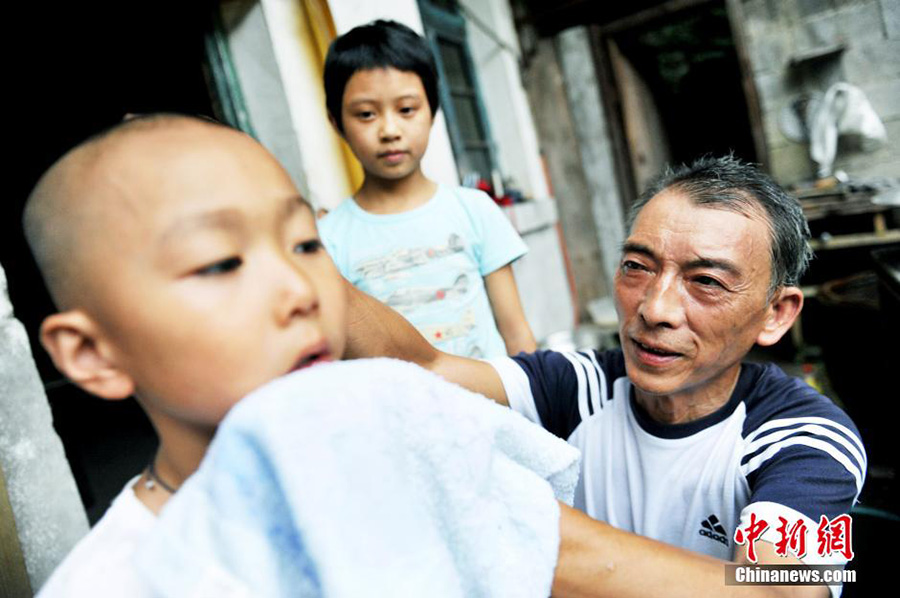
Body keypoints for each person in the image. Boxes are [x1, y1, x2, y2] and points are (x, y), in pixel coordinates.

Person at [343, 155, 866, 597]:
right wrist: (295, 255)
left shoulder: (807, 437)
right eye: (637, 267)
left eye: (705, 281)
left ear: (777, 313)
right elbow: (421, 367)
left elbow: (779, 590)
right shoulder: (582, 384)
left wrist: (521, 527)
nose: (655, 309)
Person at [24, 114, 349, 596]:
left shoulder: (418, 454)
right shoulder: (119, 582)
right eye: (219, 262)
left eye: (305, 243)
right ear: (94, 354)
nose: (301, 290)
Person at [318, 20, 536, 359]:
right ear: (336, 122)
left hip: (492, 409)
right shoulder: (329, 240)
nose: (390, 130)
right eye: (365, 114)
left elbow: (517, 334)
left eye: (406, 109)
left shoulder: (474, 210)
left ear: (432, 110)